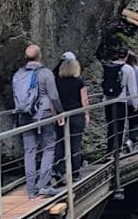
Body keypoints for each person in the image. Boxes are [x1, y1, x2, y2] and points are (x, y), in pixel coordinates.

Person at [12, 44, 65, 197]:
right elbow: (53, 96)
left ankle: (31, 188)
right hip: (44, 115)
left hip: (25, 115)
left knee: (29, 151)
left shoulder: (18, 74)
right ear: (39, 55)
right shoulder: (46, 73)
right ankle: (44, 184)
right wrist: (60, 112)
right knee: (48, 148)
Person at [55, 52, 89, 180]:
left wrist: (55, 115)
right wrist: (86, 114)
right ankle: (75, 173)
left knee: (60, 143)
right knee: (75, 143)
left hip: (61, 115)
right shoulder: (79, 82)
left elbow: (54, 100)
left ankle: (60, 171)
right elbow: (84, 100)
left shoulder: (57, 82)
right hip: (76, 115)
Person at [102, 46, 138, 154]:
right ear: (126, 56)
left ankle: (109, 150)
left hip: (108, 101)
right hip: (121, 101)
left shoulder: (108, 66)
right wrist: (135, 103)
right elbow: (132, 88)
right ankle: (117, 151)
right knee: (120, 127)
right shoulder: (128, 69)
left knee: (111, 126)